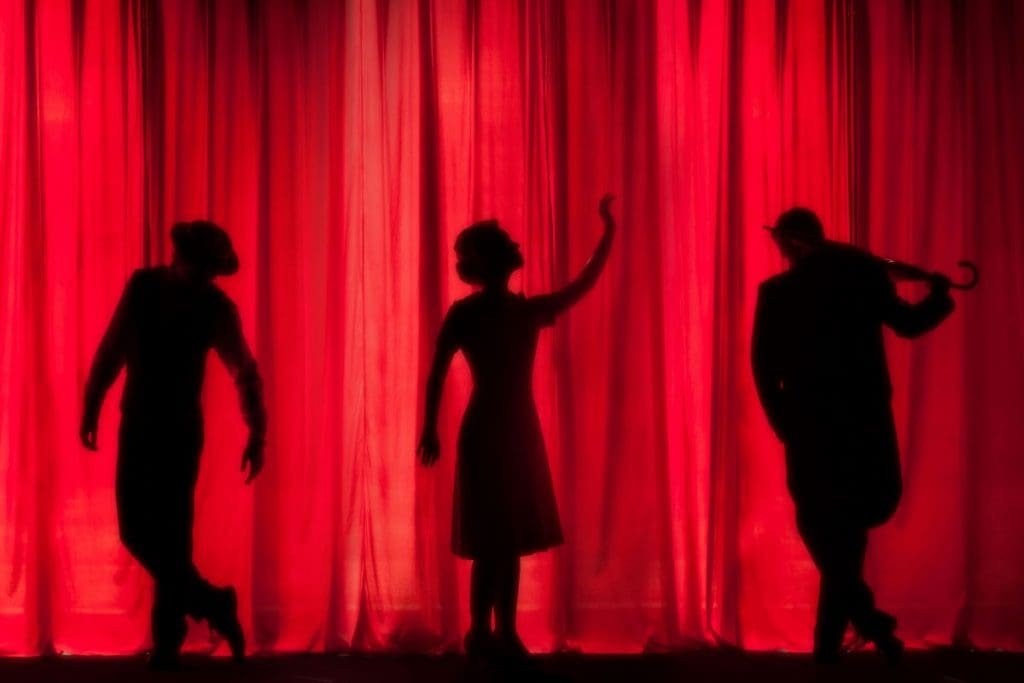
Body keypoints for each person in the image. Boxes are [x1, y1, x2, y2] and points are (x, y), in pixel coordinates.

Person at [751, 208, 955, 665]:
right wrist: (939, 297)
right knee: (845, 536)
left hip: (812, 430)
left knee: (825, 531)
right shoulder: (862, 279)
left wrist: (784, 423)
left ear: (789, 244)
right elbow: (909, 324)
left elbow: (763, 367)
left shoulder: (779, 292)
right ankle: (863, 632)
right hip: (862, 427)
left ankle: (851, 636)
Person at [418, 194, 617, 660]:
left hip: (511, 429)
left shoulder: (509, 311)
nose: (513, 246)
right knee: (494, 539)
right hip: (494, 430)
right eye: (503, 244)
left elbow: (582, 285)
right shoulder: (477, 313)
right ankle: (485, 633)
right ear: (489, 261)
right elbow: (437, 371)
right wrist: (429, 427)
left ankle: (497, 632)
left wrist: (607, 233)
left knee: (504, 542)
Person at [80, 221, 266, 670]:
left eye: (210, 268)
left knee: (170, 537)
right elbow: (113, 348)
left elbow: (244, 371)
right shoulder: (145, 289)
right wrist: (92, 400)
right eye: (201, 264)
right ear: (182, 255)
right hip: (146, 423)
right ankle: (213, 604)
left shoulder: (213, 306)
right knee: (141, 531)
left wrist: (257, 430)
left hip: (177, 430)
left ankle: (168, 642)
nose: (205, 274)